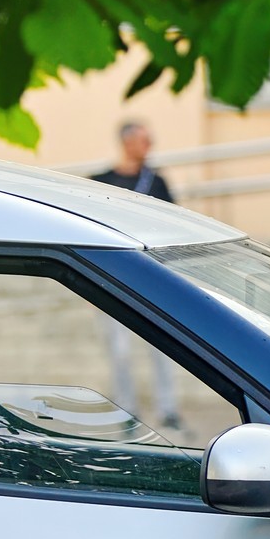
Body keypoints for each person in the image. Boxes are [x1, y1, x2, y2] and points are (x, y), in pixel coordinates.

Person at [90, 120, 181, 429]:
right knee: (119, 351)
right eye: (144, 140)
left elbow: (172, 225)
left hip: (152, 278)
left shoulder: (157, 182)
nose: (149, 146)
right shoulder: (101, 182)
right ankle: (127, 410)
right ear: (127, 142)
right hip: (114, 278)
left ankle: (167, 409)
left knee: (161, 349)